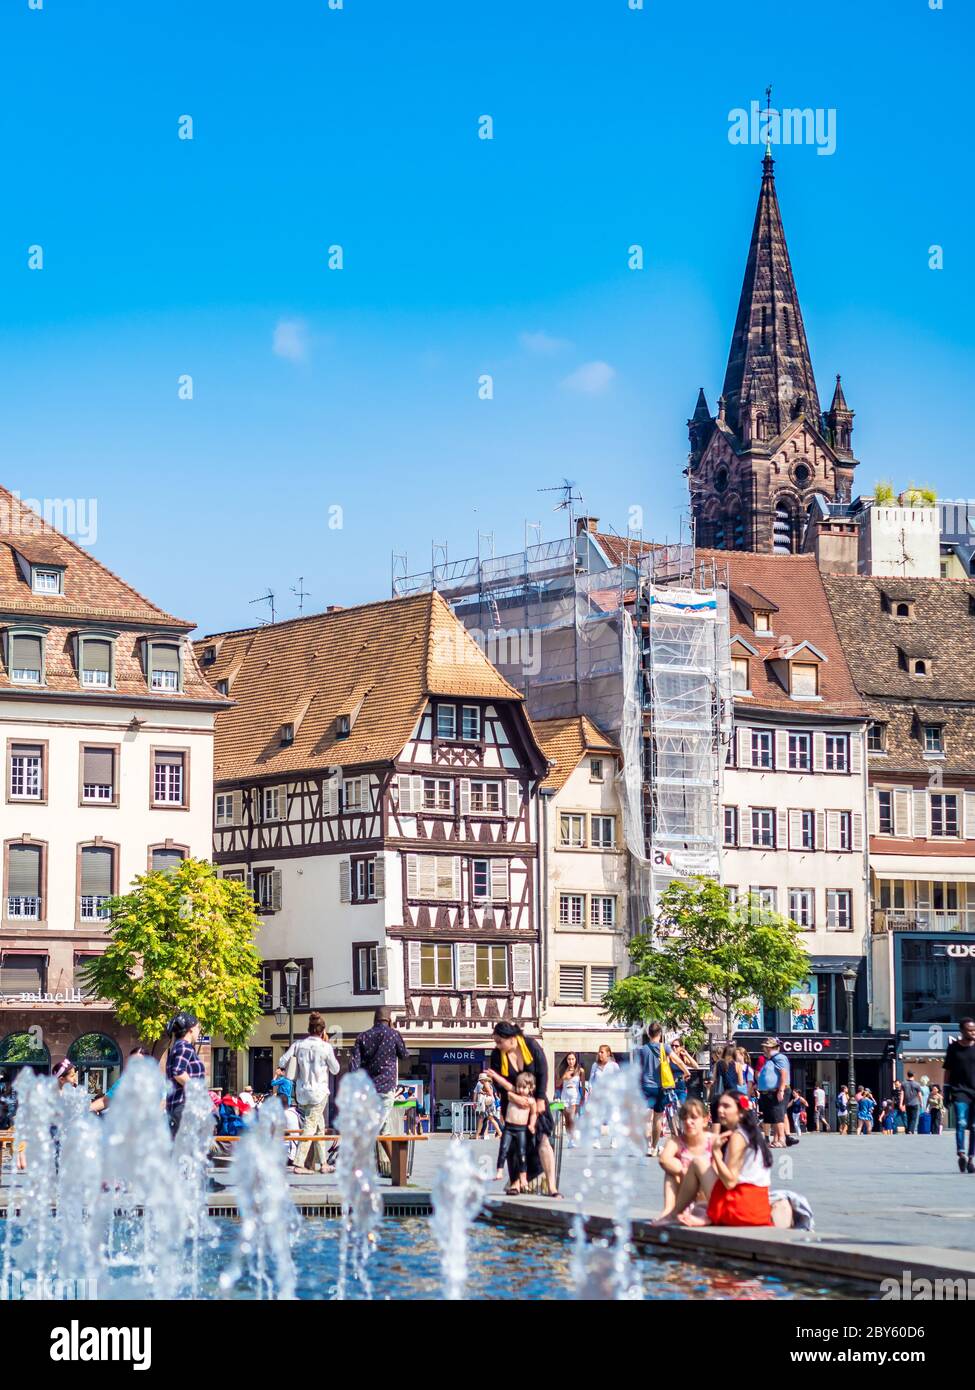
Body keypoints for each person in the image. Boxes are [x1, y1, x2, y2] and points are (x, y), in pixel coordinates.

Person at [655, 1092, 794, 1229]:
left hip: (738, 1210)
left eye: (726, 1106)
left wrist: (716, 1153)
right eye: (720, 1106)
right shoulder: (752, 1134)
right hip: (757, 1209)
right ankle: (698, 1214)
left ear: (740, 1111)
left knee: (698, 1163)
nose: (721, 1110)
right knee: (699, 1168)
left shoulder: (738, 1137)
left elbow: (730, 1181)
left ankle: (674, 1214)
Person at [488, 1021, 561, 1197]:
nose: (497, 1045)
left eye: (499, 1041)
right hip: (512, 1103)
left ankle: (552, 1187)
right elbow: (499, 1086)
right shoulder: (497, 1055)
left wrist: (541, 1098)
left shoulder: (531, 1045)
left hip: (536, 1100)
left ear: (511, 1038)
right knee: (514, 1144)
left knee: (543, 1139)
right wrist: (514, 1097)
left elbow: (543, 1072)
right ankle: (515, 1183)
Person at [279, 1012, 340, 1174]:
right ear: (322, 1030)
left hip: (302, 1093)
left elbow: (282, 1062)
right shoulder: (325, 1047)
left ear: (309, 1028)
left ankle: (324, 1163)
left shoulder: (298, 1045)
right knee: (310, 1126)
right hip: (319, 1093)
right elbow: (336, 1069)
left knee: (318, 1127)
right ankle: (299, 1164)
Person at [348, 1007, 409, 1132]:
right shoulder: (394, 1035)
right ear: (389, 1019)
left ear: (374, 1019)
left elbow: (354, 1066)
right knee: (379, 1127)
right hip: (387, 1087)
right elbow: (404, 1055)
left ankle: (380, 1151)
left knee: (382, 1127)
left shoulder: (362, 1037)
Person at [639, 1023, 690, 1157]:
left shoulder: (642, 1049)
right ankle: (654, 1147)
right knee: (657, 1118)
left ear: (649, 1034)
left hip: (645, 1086)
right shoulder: (664, 1047)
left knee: (645, 1119)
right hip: (661, 1087)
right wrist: (686, 1071)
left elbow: (638, 1069)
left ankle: (647, 1145)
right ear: (660, 1034)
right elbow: (677, 1061)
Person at [657, 1098, 713, 1218]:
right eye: (685, 1118)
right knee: (671, 1172)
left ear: (705, 1120)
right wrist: (682, 1170)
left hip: (706, 1196)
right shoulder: (677, 1142)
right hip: (684, 1195)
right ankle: (668, 1210)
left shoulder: (712, 1141)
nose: (688, 1122)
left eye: (693, 1117)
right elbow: (663, 1159)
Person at [488, 1070, 537, 1193]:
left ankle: (523, 1177)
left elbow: (534, 1114)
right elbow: (505, 1084)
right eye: (519, 1087)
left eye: (524, 1088)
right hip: (509, 1127)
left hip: (521, 1129)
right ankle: (499, 1171)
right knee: (503, 1148)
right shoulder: (513, 1092)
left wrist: (531, 1125)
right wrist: (495, 1076)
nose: (521, 1090)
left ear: (531, 1088)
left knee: (522, 1153)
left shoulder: (531, 1101)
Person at [165, 1012, 205, 1137]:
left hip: (178, 1107)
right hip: (184, 1107)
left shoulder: (177, 1047)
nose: (199, 1031)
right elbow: (179, 1072)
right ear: (191, 1029)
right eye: (199, 1028)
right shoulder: (184, 1047)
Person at [943, 1016, 975, 1173]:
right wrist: (946, 1090)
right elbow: (947, 1070)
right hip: (959, 1091)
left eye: (974, 1029)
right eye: (969, 1030)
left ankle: (971, 1158)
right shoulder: (953, 1048)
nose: (973, 1032)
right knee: (961, 1123)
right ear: (962, 1031)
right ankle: (961, 1153)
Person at [756, 1037, 793, 1148]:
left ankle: (782, 1139)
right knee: (773, 1116)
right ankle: (776, 1139)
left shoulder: (780, 1057)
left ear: (772, 1048)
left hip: (778, 1090)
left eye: (766, 1047)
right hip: (770, 1092)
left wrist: (781, 1090)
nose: (764, 1049)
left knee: (778, 1115)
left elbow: (783, 1074)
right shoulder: (770, 1059)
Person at [557, 1053, 586, 1147]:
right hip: (565, 1095)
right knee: (567, 1118)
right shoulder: (562, 1070)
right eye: (569, 1059)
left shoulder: (580, 1071)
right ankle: (570, 1138)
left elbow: (582, 1085)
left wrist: (583, 1097)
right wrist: (564, 1077)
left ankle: (573, 1139)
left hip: (575, 1094)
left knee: (572, 1117)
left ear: (575, 1060)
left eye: (573, 1059)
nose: (571, 1061)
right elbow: (557, 1084)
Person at [474, 1073, 502, 1140]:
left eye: (480, 1080)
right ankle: (478, 1135)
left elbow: (490, 1093)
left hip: (487, 1105)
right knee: (489, 1119)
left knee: (483, 1119)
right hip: (488, 1105)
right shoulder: (488, 1083)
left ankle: (478, 1135)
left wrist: (482, 1093)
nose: (480, 1081)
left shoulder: (486, 1084)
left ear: (483, 1079)